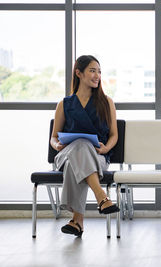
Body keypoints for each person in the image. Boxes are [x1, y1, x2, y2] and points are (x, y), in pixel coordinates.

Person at [50, 55, 119, 237]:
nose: (97, 75)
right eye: (92, 70)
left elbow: (114, 135)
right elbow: (54, 137)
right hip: (66, 155)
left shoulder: (107, 102)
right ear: (78, 73)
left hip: (98, 156)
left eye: (99, 72)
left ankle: (77, 221)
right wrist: (57, 145)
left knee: (81, 153)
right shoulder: (64, 104)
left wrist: (105, 149)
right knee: (79, 146)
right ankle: (101, 197)